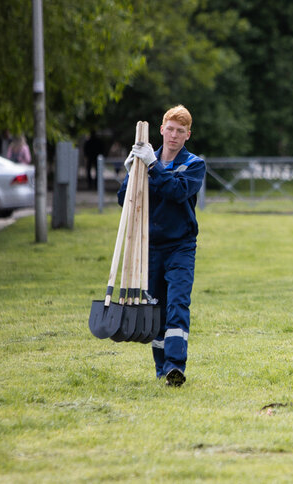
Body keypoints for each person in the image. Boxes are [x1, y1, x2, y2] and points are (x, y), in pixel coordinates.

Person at [117, 105, 205, 387]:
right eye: (170, 129)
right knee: (156, 309)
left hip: (180, 246)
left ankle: (175, 366)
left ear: (187, 135)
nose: (174, 135)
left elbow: (178, 192)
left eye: (181, 131)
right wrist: (131, 173)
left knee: (178, 304)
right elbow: (124, 201)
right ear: (161, 129)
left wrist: (153, 167)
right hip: (149, 247)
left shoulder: (193, 164)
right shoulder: (144, 161)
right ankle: (161, 369)